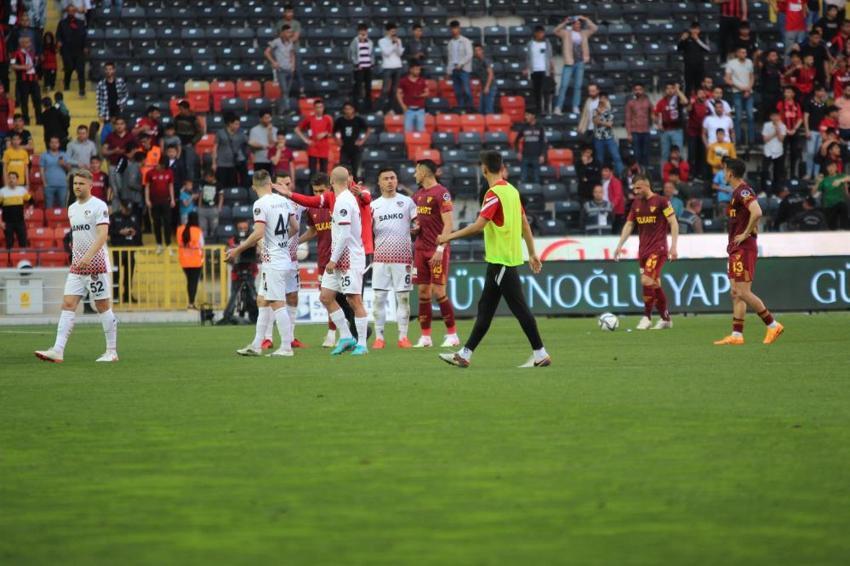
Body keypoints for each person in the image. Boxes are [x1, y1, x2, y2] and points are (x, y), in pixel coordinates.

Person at [438, 150, 550, 368]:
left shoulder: (493, 194)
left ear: (484, 169)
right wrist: (532, 253)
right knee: (485, 309)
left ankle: (540, 353)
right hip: (502, 261)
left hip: (501, 261)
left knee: (519, 309)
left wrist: (448, 237)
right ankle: (465, 354)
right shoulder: (512, 191)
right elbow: (525, 223)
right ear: (502, 167)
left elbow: (479, 225)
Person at [35, 169, 119, 363]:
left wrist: (88, 256)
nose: (77, 187)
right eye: (75, 183)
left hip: (95, 264)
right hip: (77, 265)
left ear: (90, 185)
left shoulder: (99, 205)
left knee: (102, 306)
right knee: (68, 304)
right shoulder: (72, 208)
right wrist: (77, 256)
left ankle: (112, 351)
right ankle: (58, 350)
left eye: (81, 183)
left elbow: (102, 235)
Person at [225, 170, 298, 358]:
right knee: (262, 300)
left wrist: (237, 250)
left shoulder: (260, 204)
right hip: (281, 258)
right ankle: (256, 344)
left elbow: (258, 233)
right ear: (270, 183)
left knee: (277, 303)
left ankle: (286, 347)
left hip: (273, 260)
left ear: (253, 187)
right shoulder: (284, 201)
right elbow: (296, 227)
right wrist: (281, 242)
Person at [713, 158, 784, 346]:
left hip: (743, 247)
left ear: (730, 173)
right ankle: (737, 335)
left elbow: (757, 211)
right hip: (736, 247)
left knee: (743, 291)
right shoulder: (736, 193)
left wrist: (745, 233)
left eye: (724, 170)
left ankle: (773, 324)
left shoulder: (743, 191)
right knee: (736, 292)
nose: (723, 174)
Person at [309, 166, 370, 356]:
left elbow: (344, 234)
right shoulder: (344, 199)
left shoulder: (343, 201)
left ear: (331, 181)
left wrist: (333, 260)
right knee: (326, 297)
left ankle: (362, 344)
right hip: (340, 257)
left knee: (354, 300)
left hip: (348, 258)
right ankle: (345, 337)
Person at [613, 175, 679, 331]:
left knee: (646, 280)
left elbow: (673, 222)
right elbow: (629, 225)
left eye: (638, 188)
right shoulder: (636, 203)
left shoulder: (662, 201)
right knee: (654, 283)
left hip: (658, 249)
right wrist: (619, 245)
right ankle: (665, 319)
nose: (635, 191)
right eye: (634, 188)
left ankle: (646, 317)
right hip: (643, 250)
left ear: (646, 185)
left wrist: (674, 246)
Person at [411, 159, 459, 348]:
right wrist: (415, 229)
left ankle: (452, 335)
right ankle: (425, 337)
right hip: (420, 249)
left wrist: (440, 248)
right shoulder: (417, 195)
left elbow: (449, 224)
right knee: (423, 292)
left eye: (416, 171)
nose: (414, 174)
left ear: (424, 172)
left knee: (439, 291)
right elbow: (416, 222)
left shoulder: (442, 193)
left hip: (436, 250)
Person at [369, 167, 417, 349]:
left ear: (397, 180)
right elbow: (367, 232)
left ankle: (403, 337)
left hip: (403, 258)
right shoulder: (373, 206)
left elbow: (417, 224)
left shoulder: (407, 202)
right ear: (379, 182)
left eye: (393, 178)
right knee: (379, 298)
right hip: (380, 258)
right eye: (386, 178)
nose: (390, 181)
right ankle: (379, 338)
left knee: (403, 297)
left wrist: (417, 228)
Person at [299, 173, 337, 348]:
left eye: (322, 191)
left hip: (343, 259)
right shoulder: (311, 208)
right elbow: (313, 231)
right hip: (323, 260)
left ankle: (351, 332)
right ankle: (332, 333)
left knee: (348, 298)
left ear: (330, 188)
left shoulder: (339, 203)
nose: (318, 195)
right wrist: (295, 242)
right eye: (315, 191)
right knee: (326, 298)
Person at [554, 15, 597, 115]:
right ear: (572, 24)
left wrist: (585, 19)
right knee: (563, 86)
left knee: (578, 86)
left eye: (579, 24)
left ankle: (575, 106)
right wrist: (565, 22)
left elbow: (594, 28)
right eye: (576, 24)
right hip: (569, 62)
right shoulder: (566, 33)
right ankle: (558, 107)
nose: (578, 25)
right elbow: (555, 31)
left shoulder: (584, 33)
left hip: (580, 62)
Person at [109, 199, 141, 304]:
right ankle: (115, 297)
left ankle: (127, 296)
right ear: (121, 207)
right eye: (126, 209)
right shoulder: (114, 217)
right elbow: (109, 231)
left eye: (129, 210)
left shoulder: (134, 217)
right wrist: (120, 232)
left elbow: (139, 231)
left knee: (129, 274)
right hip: (118, 250)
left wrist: (135, 233)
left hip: (130, 250)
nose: (128, 211)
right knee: (116, 275)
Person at [102, 116, 137, 204]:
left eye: (121, 124)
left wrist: (126, 153)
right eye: (117, 124)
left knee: (126, 187)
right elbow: (104, 151)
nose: (119, 126)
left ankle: (127, 207)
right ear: (114, 126)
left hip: (127, 166)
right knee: (115, 188)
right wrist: (114, 151)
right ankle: (117, 209)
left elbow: (136, 150)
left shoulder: (130, 136)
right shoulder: (110, 136)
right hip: (113, 165)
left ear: (125, 125)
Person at [725, 47, 755, 146]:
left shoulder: (749, 62)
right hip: (737, 92)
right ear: (737, 53)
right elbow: (727, 79)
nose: (744, 54)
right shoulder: (731, 63)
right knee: (738, 117)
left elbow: (752, 77)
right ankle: (737, 140)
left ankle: (751, 141)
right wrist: (741, 88)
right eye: (742, 52)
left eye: (745, 52)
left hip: (749, 92)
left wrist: (748, 89)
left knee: (751, 116)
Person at [334, 102, 371, 181]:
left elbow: (368, 130)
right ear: (343, 110)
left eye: (349, 109)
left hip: (355, 149)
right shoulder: (340, 120)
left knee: (355, 170)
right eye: (346, 109)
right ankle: (344, 185)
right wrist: (338, 141)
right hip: (344, 148)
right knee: (343, 169)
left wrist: (362, 141)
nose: (348, 111)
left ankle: (355, 186)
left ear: (353, 110)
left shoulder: (358, 120)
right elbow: (334, 132)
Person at [295, 98, 334, 174]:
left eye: (320, 107)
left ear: (323, 108)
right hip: (313, 148)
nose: (319, 109)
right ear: (314, 108)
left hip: (324, 148)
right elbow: (297, 129)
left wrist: (324, 133)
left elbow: (331, 133)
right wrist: (305, 140)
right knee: (312, 172)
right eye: (317, 107)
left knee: (324, 171)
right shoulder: (309, 119)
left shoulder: (327, 119)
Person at [145, 156, 175, 253]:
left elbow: (171, 185)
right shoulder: (150, 173)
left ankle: (168, 244)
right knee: (156, 223)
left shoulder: (169, 172)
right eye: (162, 167)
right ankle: (159, 244)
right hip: (154, 202)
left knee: (167, 223)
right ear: (159, 163)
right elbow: (147, 187)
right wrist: (147, 200)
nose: (163, 169)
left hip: (166, 201)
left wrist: (172, 199)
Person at [264, 25, 296, 116]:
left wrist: (293, 65)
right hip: (281, 70)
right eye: (288, 32)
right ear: (282, 32)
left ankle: (281, 112)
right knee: (284, 91)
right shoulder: (276, 41)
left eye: (291, 32)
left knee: (285, 93)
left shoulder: (290, 42)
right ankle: (288, 110)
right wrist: (273, 62)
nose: (290, 34)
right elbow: (266, 52)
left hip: (289, 70)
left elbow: (292, 54)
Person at [654, 82, 689, 164]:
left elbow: (685, 101)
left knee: (678, 153)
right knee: (665, 154)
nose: (670, 90)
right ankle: (665, 172)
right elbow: (655, 114)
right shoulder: (661, 102)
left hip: (677, 130)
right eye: (668, 88)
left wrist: (678, 90)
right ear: (665, 90)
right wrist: (658, 124)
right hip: (665, 131)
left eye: (672, 88)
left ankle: (679, 171)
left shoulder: (677, 99)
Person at [9, 36, 41, 125]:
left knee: (37, 100)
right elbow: (12, 65)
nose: (29, 44)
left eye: (29, 42)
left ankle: (39, 120)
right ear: (21, 44)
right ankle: (26, 120)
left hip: (33, 80)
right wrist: (23, 67)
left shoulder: (32, 53)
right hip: (23, 81)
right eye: (26, 42)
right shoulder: (15, 53)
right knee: (24, 101)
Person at [56, 5, 86, 97]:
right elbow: (58, 35)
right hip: (67, 51)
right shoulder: (62, 23)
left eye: (73, 10)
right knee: (68, 69)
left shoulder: (81, 22)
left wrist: (85, 46)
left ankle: (82, 89)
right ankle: (66, 86)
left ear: (75, 12)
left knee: (81, 70)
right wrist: (59, 42)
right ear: (67, 12)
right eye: (69, 11)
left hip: (79, 50)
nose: (71, 12)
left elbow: (85, 36)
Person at [177, 211, 204, 309]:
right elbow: (202, 244)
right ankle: (191, 303)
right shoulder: (198, 231)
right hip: (196, 261)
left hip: (184, 261)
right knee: (193, 282)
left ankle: (191, 302)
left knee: (190, 281)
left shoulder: (180, 229)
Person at [212, 113, 248, 187]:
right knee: (221, 186)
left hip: (234, 165)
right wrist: (214, 163)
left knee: (232, 186)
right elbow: (215, 148)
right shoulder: (220, 133)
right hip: (221, 164)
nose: (238, 126)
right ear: (230, 123)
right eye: (236, 124)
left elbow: (249, 142)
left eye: (238, 124)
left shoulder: (240, 134)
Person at [592, 93, 623, 175]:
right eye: (601, 98)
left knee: (616, 157)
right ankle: (600, 176)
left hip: (609, 137)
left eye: (604, 98)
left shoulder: (610, 111)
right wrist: (600, 115)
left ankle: (622, 175)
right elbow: (595, 121)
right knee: (599, 159)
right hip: (598, 138)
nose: (602, 100)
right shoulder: (595, 110)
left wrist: (600, 121)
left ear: (606, 100)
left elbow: (610, 124)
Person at [526, 25, 554, 115]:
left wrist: (552, 69)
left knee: (546, 91)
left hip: (545, 70)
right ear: (536, 33)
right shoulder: (530, 44)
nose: (542, 34)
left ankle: (546, 109)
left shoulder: (547, 44)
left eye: (543, 33)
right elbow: (528, 58)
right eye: (540, 33)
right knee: (537, 91)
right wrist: (527, 68)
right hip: (535, 70)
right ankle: (538, 109)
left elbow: (550, 57)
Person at [777, 86, 804, 178]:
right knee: (782, 153)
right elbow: (778, 118)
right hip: (784, 132)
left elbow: (800, 118)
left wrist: (794, 129)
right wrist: (786, 129)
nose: (787, 94)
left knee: (794, 153)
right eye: (786, 92)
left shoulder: (797, 104)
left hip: (794, 132)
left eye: (789, 92)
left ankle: (793, 174)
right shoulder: (781, 104)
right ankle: (781, 174)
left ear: (793, 94)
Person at [172, 100, 202, 183]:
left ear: (186, 109)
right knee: (179, 164)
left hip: (189, 145)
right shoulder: (177, 118)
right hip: (179, 145)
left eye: (181, 108)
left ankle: (190, 184)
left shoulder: (193, 118)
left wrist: (192, 142)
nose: (180, 110)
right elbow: (174, 130)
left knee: (189, 166)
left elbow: (200, 132)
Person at [804, 86, 830, 179]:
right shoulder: (809, 102)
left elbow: (826, 118)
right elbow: (806, 116)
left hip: (821, 131)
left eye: (824, 91)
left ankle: (816, 174)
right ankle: (808, 173)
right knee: (810, 152)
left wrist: (825, 132)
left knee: (818, 153)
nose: (822, 93)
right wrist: (807, 130)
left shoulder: (824, 104)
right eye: (820, 91)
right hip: (812, 130)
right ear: (815, 92)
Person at [447, 20, 473, 112]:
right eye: (452, 28)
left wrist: (461, 63)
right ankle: (461, 110)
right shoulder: (450, 43)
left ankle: (469, 110)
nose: (454, 30)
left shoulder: (466, 41)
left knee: (467, 91)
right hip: (454, 69)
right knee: (457, 92)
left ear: (459, 29)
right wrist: (448, 71)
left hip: (464, 69)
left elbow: (469, 54)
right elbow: (450, 58)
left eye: (456, 28)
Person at [378, 22, 404, 115]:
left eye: (394, 31)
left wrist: (397, 44)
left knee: (394, 90)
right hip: (387, 67)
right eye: (392, 31)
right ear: (387, 32)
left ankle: (390, 109)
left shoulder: (398, 40)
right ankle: (380, 109)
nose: (393, 33)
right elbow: (386, 53)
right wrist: (393, 44)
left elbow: (400, 53)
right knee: (385, 89)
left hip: (398, 66)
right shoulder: (382, 41)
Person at [678, 22, 710, 96]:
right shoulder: (686, 38)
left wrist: (697, 39)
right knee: (688, 86)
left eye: (697, 29)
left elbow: (707, 49)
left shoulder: (702, 38)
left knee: (699, 86)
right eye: (693, 29)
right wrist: (682, 39)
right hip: (688, 66)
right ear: (690, 29)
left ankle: (698, 101)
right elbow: (679, 48)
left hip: (700, 67)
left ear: (699, 30)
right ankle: (688, 101)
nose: (695, 31)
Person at [625, 83, 653, 168]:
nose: (638, 91)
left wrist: (655, 122)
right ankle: (637, 172)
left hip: (646, 131)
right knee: (637, 154)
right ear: (633, 91)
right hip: (635, 131)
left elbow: (653, 114)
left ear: (643, 90)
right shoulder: (630, 103)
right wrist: (629, 134)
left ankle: (646, 173)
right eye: (636, 90)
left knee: (646, 153)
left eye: (640, 89)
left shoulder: (648, 102)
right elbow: (628, 119)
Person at [0, 171, 30, 248]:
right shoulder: (2, 191)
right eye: (9, 178)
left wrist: (28, 213)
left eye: (13, 178)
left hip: (20, 221)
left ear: (17, 180)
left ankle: (23, 255)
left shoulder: (22, 190)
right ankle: (9, 256)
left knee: (23, 243)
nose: (11, 180)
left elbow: (31, 202)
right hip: (7, 223)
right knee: (9, 244)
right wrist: (0, 222)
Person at [817, 161, 850, 228]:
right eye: (829, 167)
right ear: (827, 168)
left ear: (836, 168)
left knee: (842, 205)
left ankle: (845, 229)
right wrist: (817, 182)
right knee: (831, 227)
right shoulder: (824, 179)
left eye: (833, 166)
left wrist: (840, 180)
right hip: (828, 205)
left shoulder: (840, 176)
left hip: (840, 203)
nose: (831, 168)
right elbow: (816, 193)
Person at [349, 24, 374, 113]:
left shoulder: (370, 42)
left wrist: (372, 63)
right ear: (358, 31)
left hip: (368, 67)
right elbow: (351, 54)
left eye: (365, 30)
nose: (363, 32)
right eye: (361, 30)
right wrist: (356, 64)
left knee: (368, 88)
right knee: (358, 89)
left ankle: (368, 108)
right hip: (359, 68)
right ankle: (356, 109)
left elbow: (372, 54)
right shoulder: (354, 41)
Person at [398, 61, 429, 132]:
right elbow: (398, 93)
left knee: (421, 131)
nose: (418, 71)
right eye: (416, 69)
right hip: (408, 110)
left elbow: (427, 92)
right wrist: (402, 105)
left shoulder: (422, 80)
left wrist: (419, 95)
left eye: (419, 70)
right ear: (411, 69)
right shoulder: (403, 81)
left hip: (420, 110)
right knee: (408, 131)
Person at [516, 111, 546, 183]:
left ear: (533, 116)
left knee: (536, 179)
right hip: (525, 156)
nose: (526, 117)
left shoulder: (540, 127)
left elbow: (543, 142)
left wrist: (542, 155)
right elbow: (516, 140)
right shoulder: (524, 127)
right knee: (523, 178)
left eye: (527, 115)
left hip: (536, 156)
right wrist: (518, 152)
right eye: (525, 115)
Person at [686, 88, 710, 178]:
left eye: (703, 93)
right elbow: (688, 109)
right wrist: (691, 102)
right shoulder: (693, 104)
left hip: (703, 133)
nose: (702, 95)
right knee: (692, 154)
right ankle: (691, 174)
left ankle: (701, 174)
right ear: (696, 95)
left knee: (702, 154)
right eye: (700, 93)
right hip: (693, 133)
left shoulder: (707, 105)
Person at [41, 136, 70, 208]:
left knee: (63, 206)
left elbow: (69, 169)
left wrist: (64, 164)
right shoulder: (44, 155)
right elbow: (41, 170)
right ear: (49, 144)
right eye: (52, 142)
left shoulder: (63, 154)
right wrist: (44, 183)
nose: (54, 144)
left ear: (59, 144)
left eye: (56, 142)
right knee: (49, 207)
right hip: (49, 185)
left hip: (62, 185)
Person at [762, 110, 787, 192]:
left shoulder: (783, 126)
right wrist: (774, 133)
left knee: (777, 172)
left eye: (777, 116)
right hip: (768, 151)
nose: (776, 118)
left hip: (778, 151)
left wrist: (778, 130)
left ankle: (776, 189)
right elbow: (765, 139)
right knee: (765, 170)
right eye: (774, 116)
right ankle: (764, 188)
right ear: (771, 117)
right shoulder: (766, 125)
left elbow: (781, 139)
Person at [248, 110, 277, 176]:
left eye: (269, 117)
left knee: (271, 181)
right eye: (265, 118)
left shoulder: (275, 129)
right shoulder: (254, 130)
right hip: (259, 161)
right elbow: (251, 143)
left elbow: (273, 144)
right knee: (259, 181)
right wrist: (265, 146)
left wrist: (270, 132)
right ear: (260, 119)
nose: (268, 120)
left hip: (272, 161)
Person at [600, 164, 626, 232]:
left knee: (614, 231)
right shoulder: (602, 182)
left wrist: (611, 206)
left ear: (611, 172)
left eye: (606, 171)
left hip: (615, 211)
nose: (603, 173)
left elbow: (618, 196)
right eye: (602, 171)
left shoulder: (615, 182)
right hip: (605, 209)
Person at [472, 44, 497, 115]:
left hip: (490, 86)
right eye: (475, 51)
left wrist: (487, 87)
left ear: (482, 50)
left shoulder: (486, 60)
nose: (477, 52)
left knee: (488, 109)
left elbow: (491, 74)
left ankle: (491, 121)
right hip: (483, 87)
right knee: (481, 109)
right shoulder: (477, 62)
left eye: (478, 50)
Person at [760, 50, 784, 121]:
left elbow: (783, 75)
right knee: (767, 112)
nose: (775, 57)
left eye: (776, 55)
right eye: (773, 55)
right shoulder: (764, 66)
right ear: (768, 57)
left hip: (777, 93)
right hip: (767, 93)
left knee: (777, 111)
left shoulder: (779, 66)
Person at [197, 170, 222, 238]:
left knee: (214, 228)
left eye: (208, 177)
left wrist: (219, 207)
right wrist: (199, 206)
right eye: (205, 178)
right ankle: (203, 241)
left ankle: (213, 241)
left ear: (212, 177)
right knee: (202, 228)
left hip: (213, 208)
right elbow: (200, 194)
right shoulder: (203, 183)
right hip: (203, 208)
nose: (206, 179)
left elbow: (221, 196)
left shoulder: (218, 185)